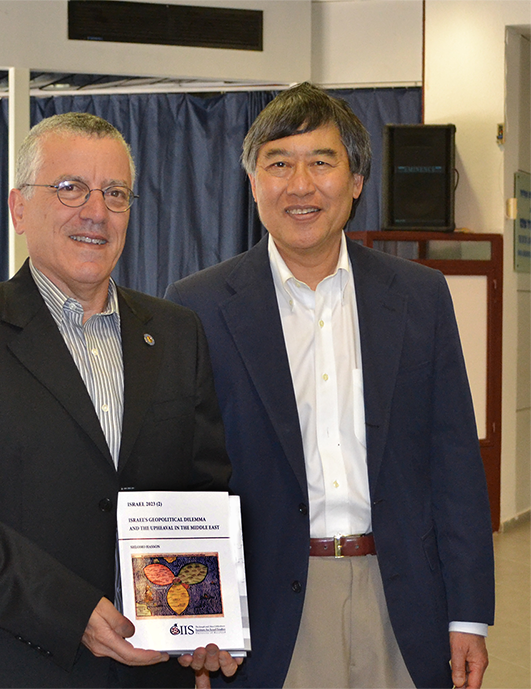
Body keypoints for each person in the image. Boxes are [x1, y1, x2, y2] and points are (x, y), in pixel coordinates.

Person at [0, 112, 238, 689]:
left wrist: (205, 619)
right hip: (17, 666)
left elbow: (204, 493)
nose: (95, 212)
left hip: (153, 674)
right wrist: (69, 610)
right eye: (70, 188)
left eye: (115, 193)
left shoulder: (178, 333)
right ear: (19, 208)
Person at [165, 82, 495, 689]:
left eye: (322, 162)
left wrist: (469, 613)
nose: (301, 185)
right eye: (279, 164)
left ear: (356, 180)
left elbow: (455, 463)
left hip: (403, 598)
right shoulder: (199, 306)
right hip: (265, 608)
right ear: (253, 181)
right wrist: (195, 617)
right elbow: (185, 471)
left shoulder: (419, 297)